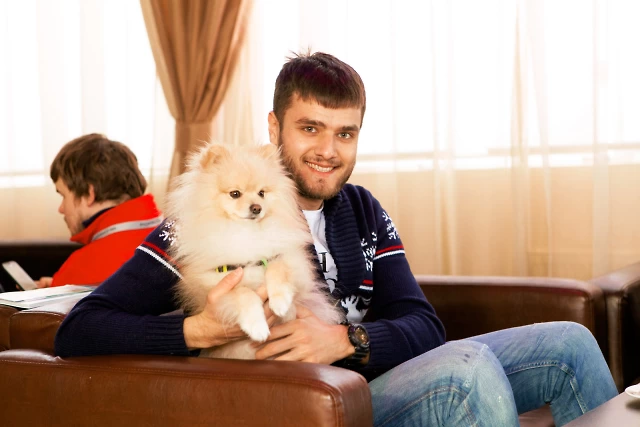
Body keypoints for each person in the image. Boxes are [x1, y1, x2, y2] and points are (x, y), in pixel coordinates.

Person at [54, 53, 617, 426]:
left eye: (345, 133)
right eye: (310, 128)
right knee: (466, 369)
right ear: (274, 127)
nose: (328, 150)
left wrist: (346, 340)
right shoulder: (205, 220)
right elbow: (80, 329)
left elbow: (424, 324)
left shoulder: (362, 209)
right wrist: (200, 329)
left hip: (366, 377)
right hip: (299, 402)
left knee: (569, 342)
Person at [36, 133, 163, 288]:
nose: (61, 209)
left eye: (63, 196)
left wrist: (61, 287)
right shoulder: (171, 239)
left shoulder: (81, 268)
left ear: (89, 194)